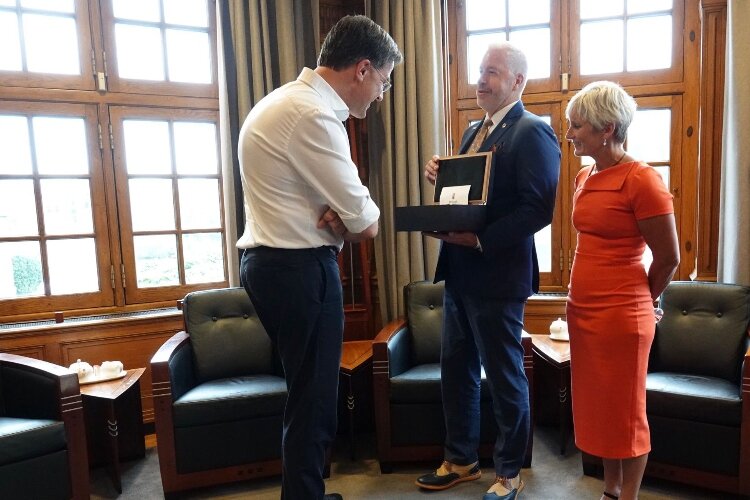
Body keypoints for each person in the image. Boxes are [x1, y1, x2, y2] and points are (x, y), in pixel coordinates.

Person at [237, 15, 402, 500]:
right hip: (298, 270)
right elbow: (367, 220)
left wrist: (346, 218)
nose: (379, 95)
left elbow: (347, 214)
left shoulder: (282, 101)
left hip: (274, 265)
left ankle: (304, 491)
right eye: (384, 83)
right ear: (363, 69)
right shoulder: (312, 115)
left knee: (306, 396)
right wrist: (351, 219)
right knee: (314, 403)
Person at [416, 42, 560, 500]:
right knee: (455, 372)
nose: (480, 80)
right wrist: (441, 177)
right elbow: (468, 199)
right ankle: (460, 460)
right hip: (458, 273)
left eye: (492, 73)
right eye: (480, 71)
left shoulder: (533, 131)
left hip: (497, 277)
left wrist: (480, 239)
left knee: (503, 379)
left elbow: (538, 209)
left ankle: (509, 473)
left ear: (517, 82)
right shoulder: (472, 131)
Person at [564, 81, 680, 500]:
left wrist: (645, 302)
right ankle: (610, 489)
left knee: (627, 412)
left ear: (607, 128)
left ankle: (627, 496)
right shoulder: (583, 175)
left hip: (623, 315)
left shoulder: (643, 180)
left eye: (578, 126)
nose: (570, 133)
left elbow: (668, 258)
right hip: (584, 311)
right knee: (600, 406)